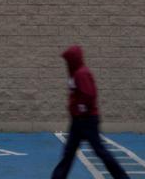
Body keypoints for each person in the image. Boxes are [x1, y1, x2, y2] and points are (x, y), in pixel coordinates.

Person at [51, 46, 130, 179]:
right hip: (78, 121)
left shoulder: (81, 73)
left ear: (73, 60)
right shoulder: (76, 73)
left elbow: (89, 95)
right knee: (69, 153)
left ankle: (122, 177)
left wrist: (80, 109)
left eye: (68, 60)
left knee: (100, 151)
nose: (66, 63)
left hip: (87, 120)